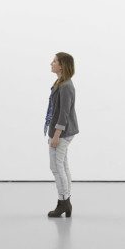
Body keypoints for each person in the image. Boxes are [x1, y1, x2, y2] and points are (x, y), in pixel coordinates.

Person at [44, 52, 79, 217]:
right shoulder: (61, 83)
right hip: (60, 131)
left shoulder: (66, 86)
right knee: (62, 166)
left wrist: (56, 135)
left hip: (62, 132)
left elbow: (64, 113)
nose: (51, 63)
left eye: (55, 61)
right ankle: (66, 201)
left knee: (56, 167)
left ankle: (63, 202)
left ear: (62, 65)